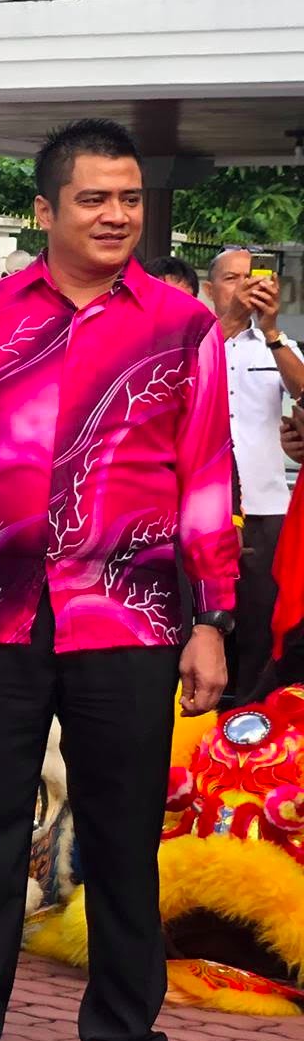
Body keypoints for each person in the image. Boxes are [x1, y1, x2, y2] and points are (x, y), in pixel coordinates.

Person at [0, 119, 235, 1041]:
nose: (115, 215)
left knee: (123, 835)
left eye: (128, 199)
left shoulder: (182, 327)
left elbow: (206, 476)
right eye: (94, 198)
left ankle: (126, 1035)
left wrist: (209, 618)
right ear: (46, 210)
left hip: (126, 616)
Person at [206, 248, 303, 703]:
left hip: (265, 510)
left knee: (261, 629)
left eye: (254, 276)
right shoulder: (196, 340)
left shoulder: (275, 343)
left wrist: (271, 332)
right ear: (210, 289)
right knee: (204, 624)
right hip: (205, 511)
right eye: (232, 279)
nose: (246, 286)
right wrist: (229, 322)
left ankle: (250, 724)